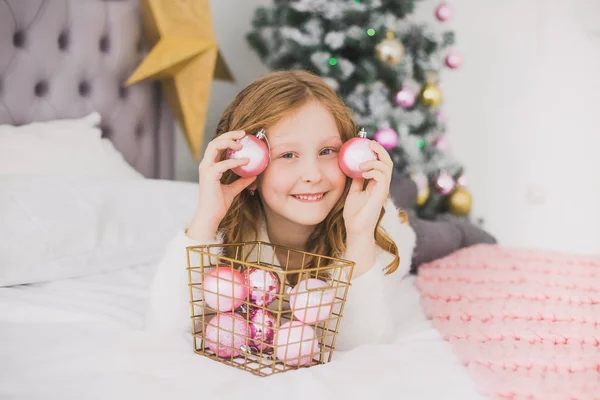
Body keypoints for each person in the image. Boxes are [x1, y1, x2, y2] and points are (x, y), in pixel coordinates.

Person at [146, 70, 418, 351]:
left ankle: (409, 192)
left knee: (426, 228)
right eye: (288, 155)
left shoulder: (372, 227)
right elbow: (166, 325)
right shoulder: (227, 233)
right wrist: (207, 218)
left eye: (327, 151)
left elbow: (359, 344)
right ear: (247, 166)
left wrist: (360, 234)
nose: (312, 174)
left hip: (395, 226)